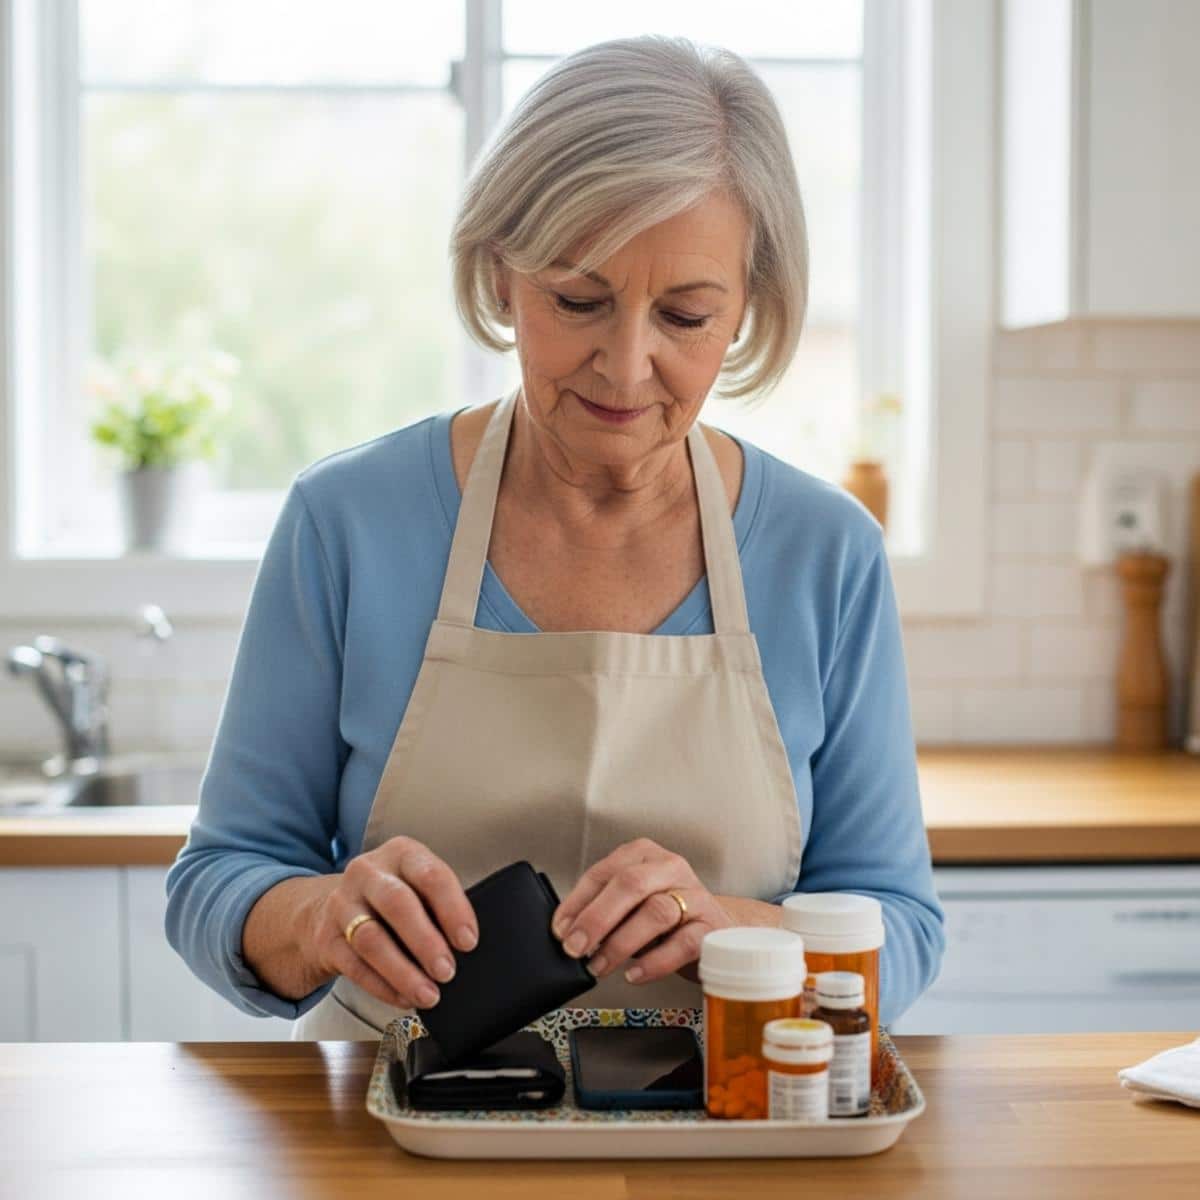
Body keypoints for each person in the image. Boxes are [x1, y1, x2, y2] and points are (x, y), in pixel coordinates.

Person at [165, 34, 944, 1041]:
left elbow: (905, 927)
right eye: (578, 301)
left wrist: (737, 929)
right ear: (500, 274)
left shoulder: (826, 553)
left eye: (686, 315)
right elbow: (217, 882)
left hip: (725, 1128)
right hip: (400, 1139)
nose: (626, 368)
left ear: (746, 308)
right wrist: (325, 919)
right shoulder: (348, 522)